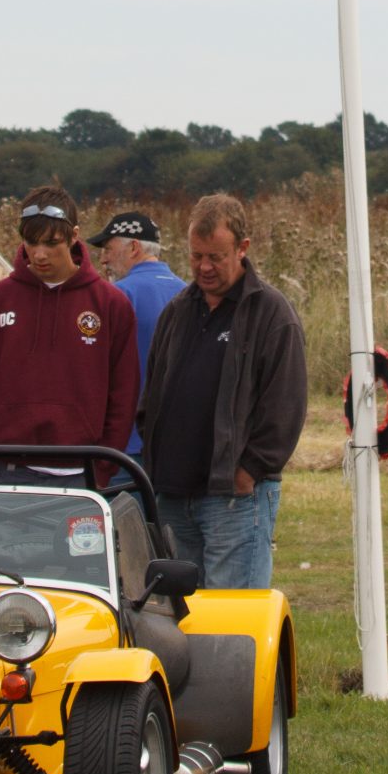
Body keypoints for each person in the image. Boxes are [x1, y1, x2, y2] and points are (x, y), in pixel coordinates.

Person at [138, 192, 307, 588]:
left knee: (233, 624)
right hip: (174, 498)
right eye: (197, 256)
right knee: (179, 622)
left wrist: (249, 470)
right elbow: (153, 394)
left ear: (243, 248)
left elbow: (286, 407)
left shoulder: (272, 315)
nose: (204, 267)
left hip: (235, 500)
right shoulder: (177, 310)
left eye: (215, 256)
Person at [0, 184, 138, 479]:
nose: (39, 254)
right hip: (4, 472)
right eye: (31, 241)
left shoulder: (110, 305)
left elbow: (123, 393)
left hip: (82, 473)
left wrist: (103, 469)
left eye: (51, 243)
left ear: (74, 236)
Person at [93, 209, 186, 454]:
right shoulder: (190, 294)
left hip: (126, 445)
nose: (103, 260)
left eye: (108, 249)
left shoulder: (117, 296)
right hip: (177, 444)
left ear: (134, 247)